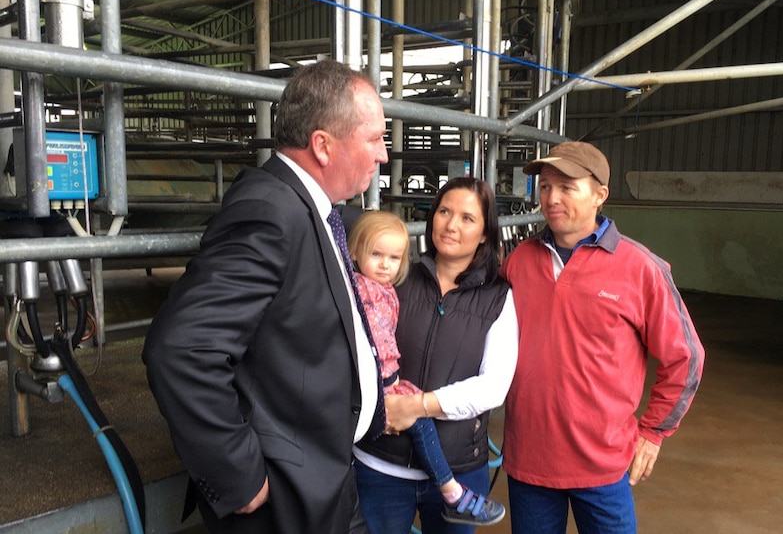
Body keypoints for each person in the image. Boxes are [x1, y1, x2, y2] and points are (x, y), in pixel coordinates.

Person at [142, 59, 389, 533]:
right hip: (282, 499)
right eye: (375, 139)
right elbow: (181, 350)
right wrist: (239, 476)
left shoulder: (311, 208)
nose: (384, 155)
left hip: (327, 475)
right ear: (322, 145)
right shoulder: (270, 211)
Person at [501, 141, 706, 534]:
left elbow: (687, 358)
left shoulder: (640, 268)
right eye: (544, 187)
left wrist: (653, 432)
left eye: (566, 187)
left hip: (602, 463)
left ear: (600, 195)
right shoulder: (519, 261)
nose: (551, 198)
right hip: (529, 458)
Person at [354, 177, 518, 534]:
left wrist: (418, 405)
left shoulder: (498, 298)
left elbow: (493, 387)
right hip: (380, 464)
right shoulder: (395, 277)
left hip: (458, 469)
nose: (451, 225)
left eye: (467, 218)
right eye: (444, 211)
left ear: (486, 233)